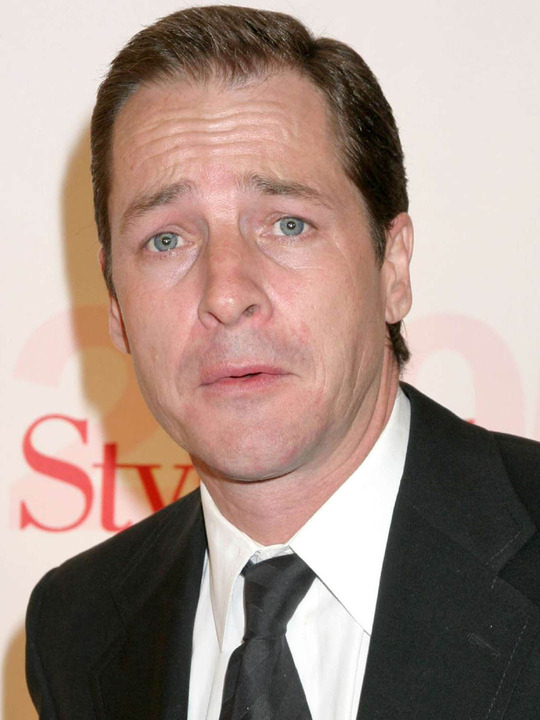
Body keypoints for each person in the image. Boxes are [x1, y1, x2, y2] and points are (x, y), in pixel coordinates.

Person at [26, 6, 540, 719]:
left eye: (287, 224)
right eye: (167, 239)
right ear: (116, 305)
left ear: (392, 267)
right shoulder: (75, 629)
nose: (225, 293)